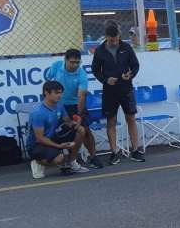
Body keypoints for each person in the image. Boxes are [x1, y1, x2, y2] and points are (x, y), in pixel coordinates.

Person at [91, 21, 144, 164]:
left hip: (126, 88)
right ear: (106, 37)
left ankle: (135, 150)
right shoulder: (99, 51)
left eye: (115, 39)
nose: (113, 42)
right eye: (110, 40)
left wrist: (130, 74)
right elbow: (95, 70)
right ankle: (114, 152)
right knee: (111, 121)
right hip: (109, 91)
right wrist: (105, 80)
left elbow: (135, 65)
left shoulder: (126, 47)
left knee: (130, 118)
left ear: (119, 36)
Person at [44, 49, 102, 169]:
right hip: (59, 105)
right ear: (65, 60)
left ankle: (92, 157)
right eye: (72, 62)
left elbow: (81, 96)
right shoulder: (56, 66)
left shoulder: (82, 75)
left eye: (77, 62)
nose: (75, 65)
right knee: (59, 132)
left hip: (76, 105)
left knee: (85, 131)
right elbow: (48, 82)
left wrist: (79, 115)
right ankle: (60, 160)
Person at [28, 81, 88, 179]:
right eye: (56, 93)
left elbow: (68, 122)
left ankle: (72, 162)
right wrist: (59, 146)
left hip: (53, 137)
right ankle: (37, 161)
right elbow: (40, 138)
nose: (59, 95)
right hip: (37, 144)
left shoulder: (59, 105)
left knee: (80, 130)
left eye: (60, 93)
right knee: (59, 159)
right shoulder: (38, 113)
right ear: (46, 93)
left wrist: (76, 121)